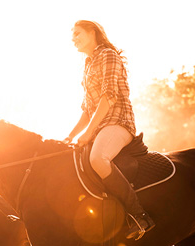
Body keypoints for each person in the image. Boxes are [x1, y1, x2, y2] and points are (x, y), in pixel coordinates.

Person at [63, 20, 155, 240]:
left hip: (118, 122)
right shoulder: (88, 63)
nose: (73, 38)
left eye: (77, 33)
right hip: (99, 127)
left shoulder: (108, 55)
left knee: (98, 159)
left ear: (92, 32)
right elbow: (88, 109)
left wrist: (87, 134)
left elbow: (108, 97)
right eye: (72, 35)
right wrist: (71, 135)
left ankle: (139, 216)